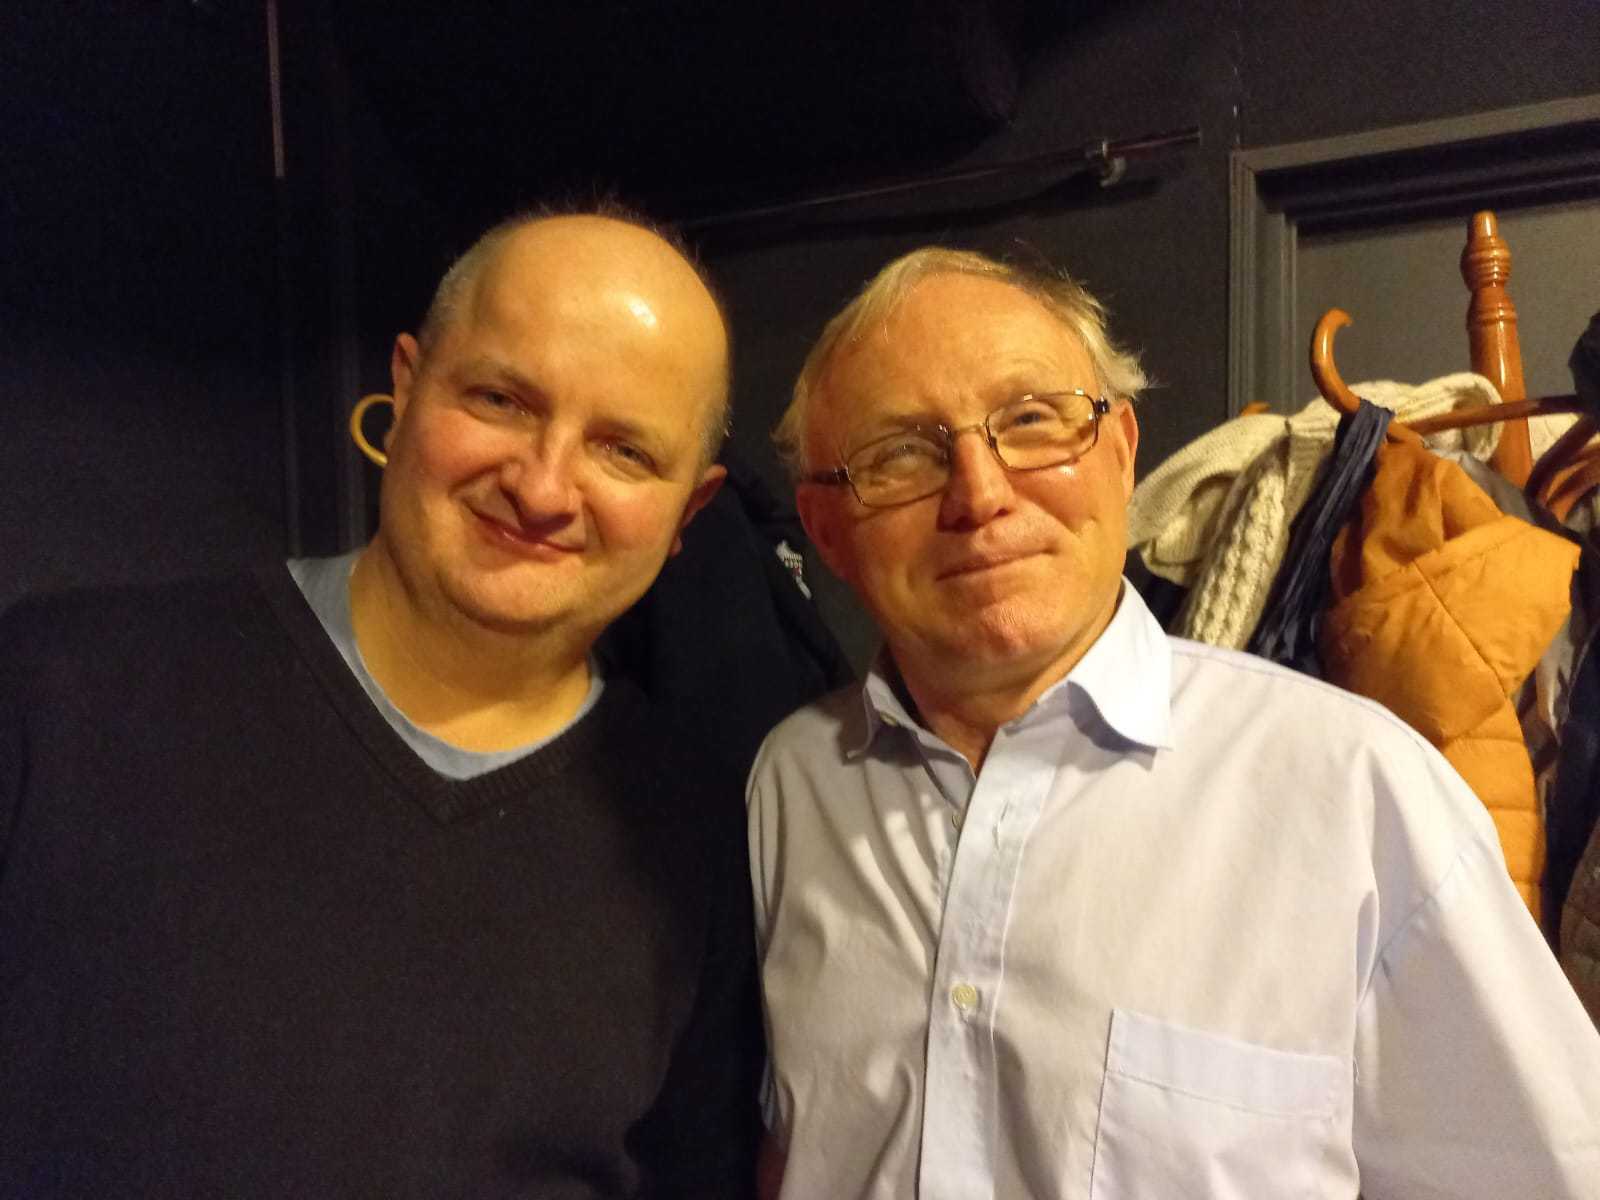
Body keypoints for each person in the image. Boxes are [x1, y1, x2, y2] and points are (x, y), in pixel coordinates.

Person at [748, 247, 1600, 1199]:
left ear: (1119, 453)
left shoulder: (1356, 788)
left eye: (1031, 420)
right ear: (827, 530)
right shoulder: (790, 788)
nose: (980, 495)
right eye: (902, 453)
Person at [0, 210, 762, 1196]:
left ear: (687, 511)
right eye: (500, 399)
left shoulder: (698, 844)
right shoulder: (60, 687)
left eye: (623, 451)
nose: (542, 489)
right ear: (406, 388)